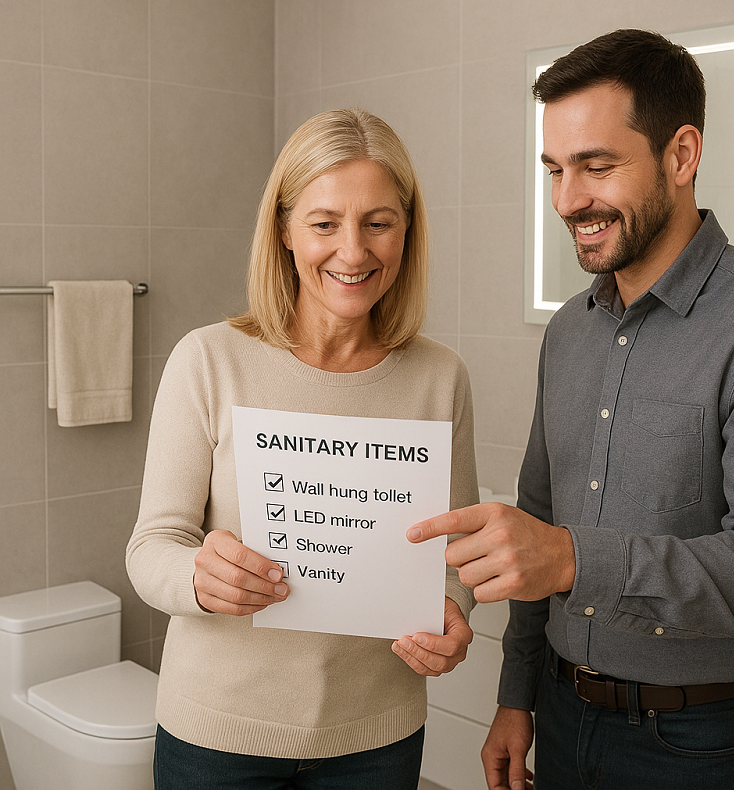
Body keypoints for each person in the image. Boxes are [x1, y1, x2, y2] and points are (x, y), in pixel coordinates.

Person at [408, 29, 734, 790]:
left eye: (597, 166)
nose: (566, 201)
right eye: (555, 170)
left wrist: (572, 559)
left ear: (681, 155)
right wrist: (516, 696)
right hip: (560, 712)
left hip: (700, 743)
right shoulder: (568, 331)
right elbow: (537, 518)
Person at [126, 108, 479, 790]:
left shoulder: (441, 377)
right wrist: (199, 576)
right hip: (217, 736)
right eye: (324, 223)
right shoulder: (209, 360)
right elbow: (151, 546)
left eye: (378, 222)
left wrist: (451, 611)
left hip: (377, 738)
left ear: (407, 230)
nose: (353, 251)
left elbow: (452, 554)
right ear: (284, 231)